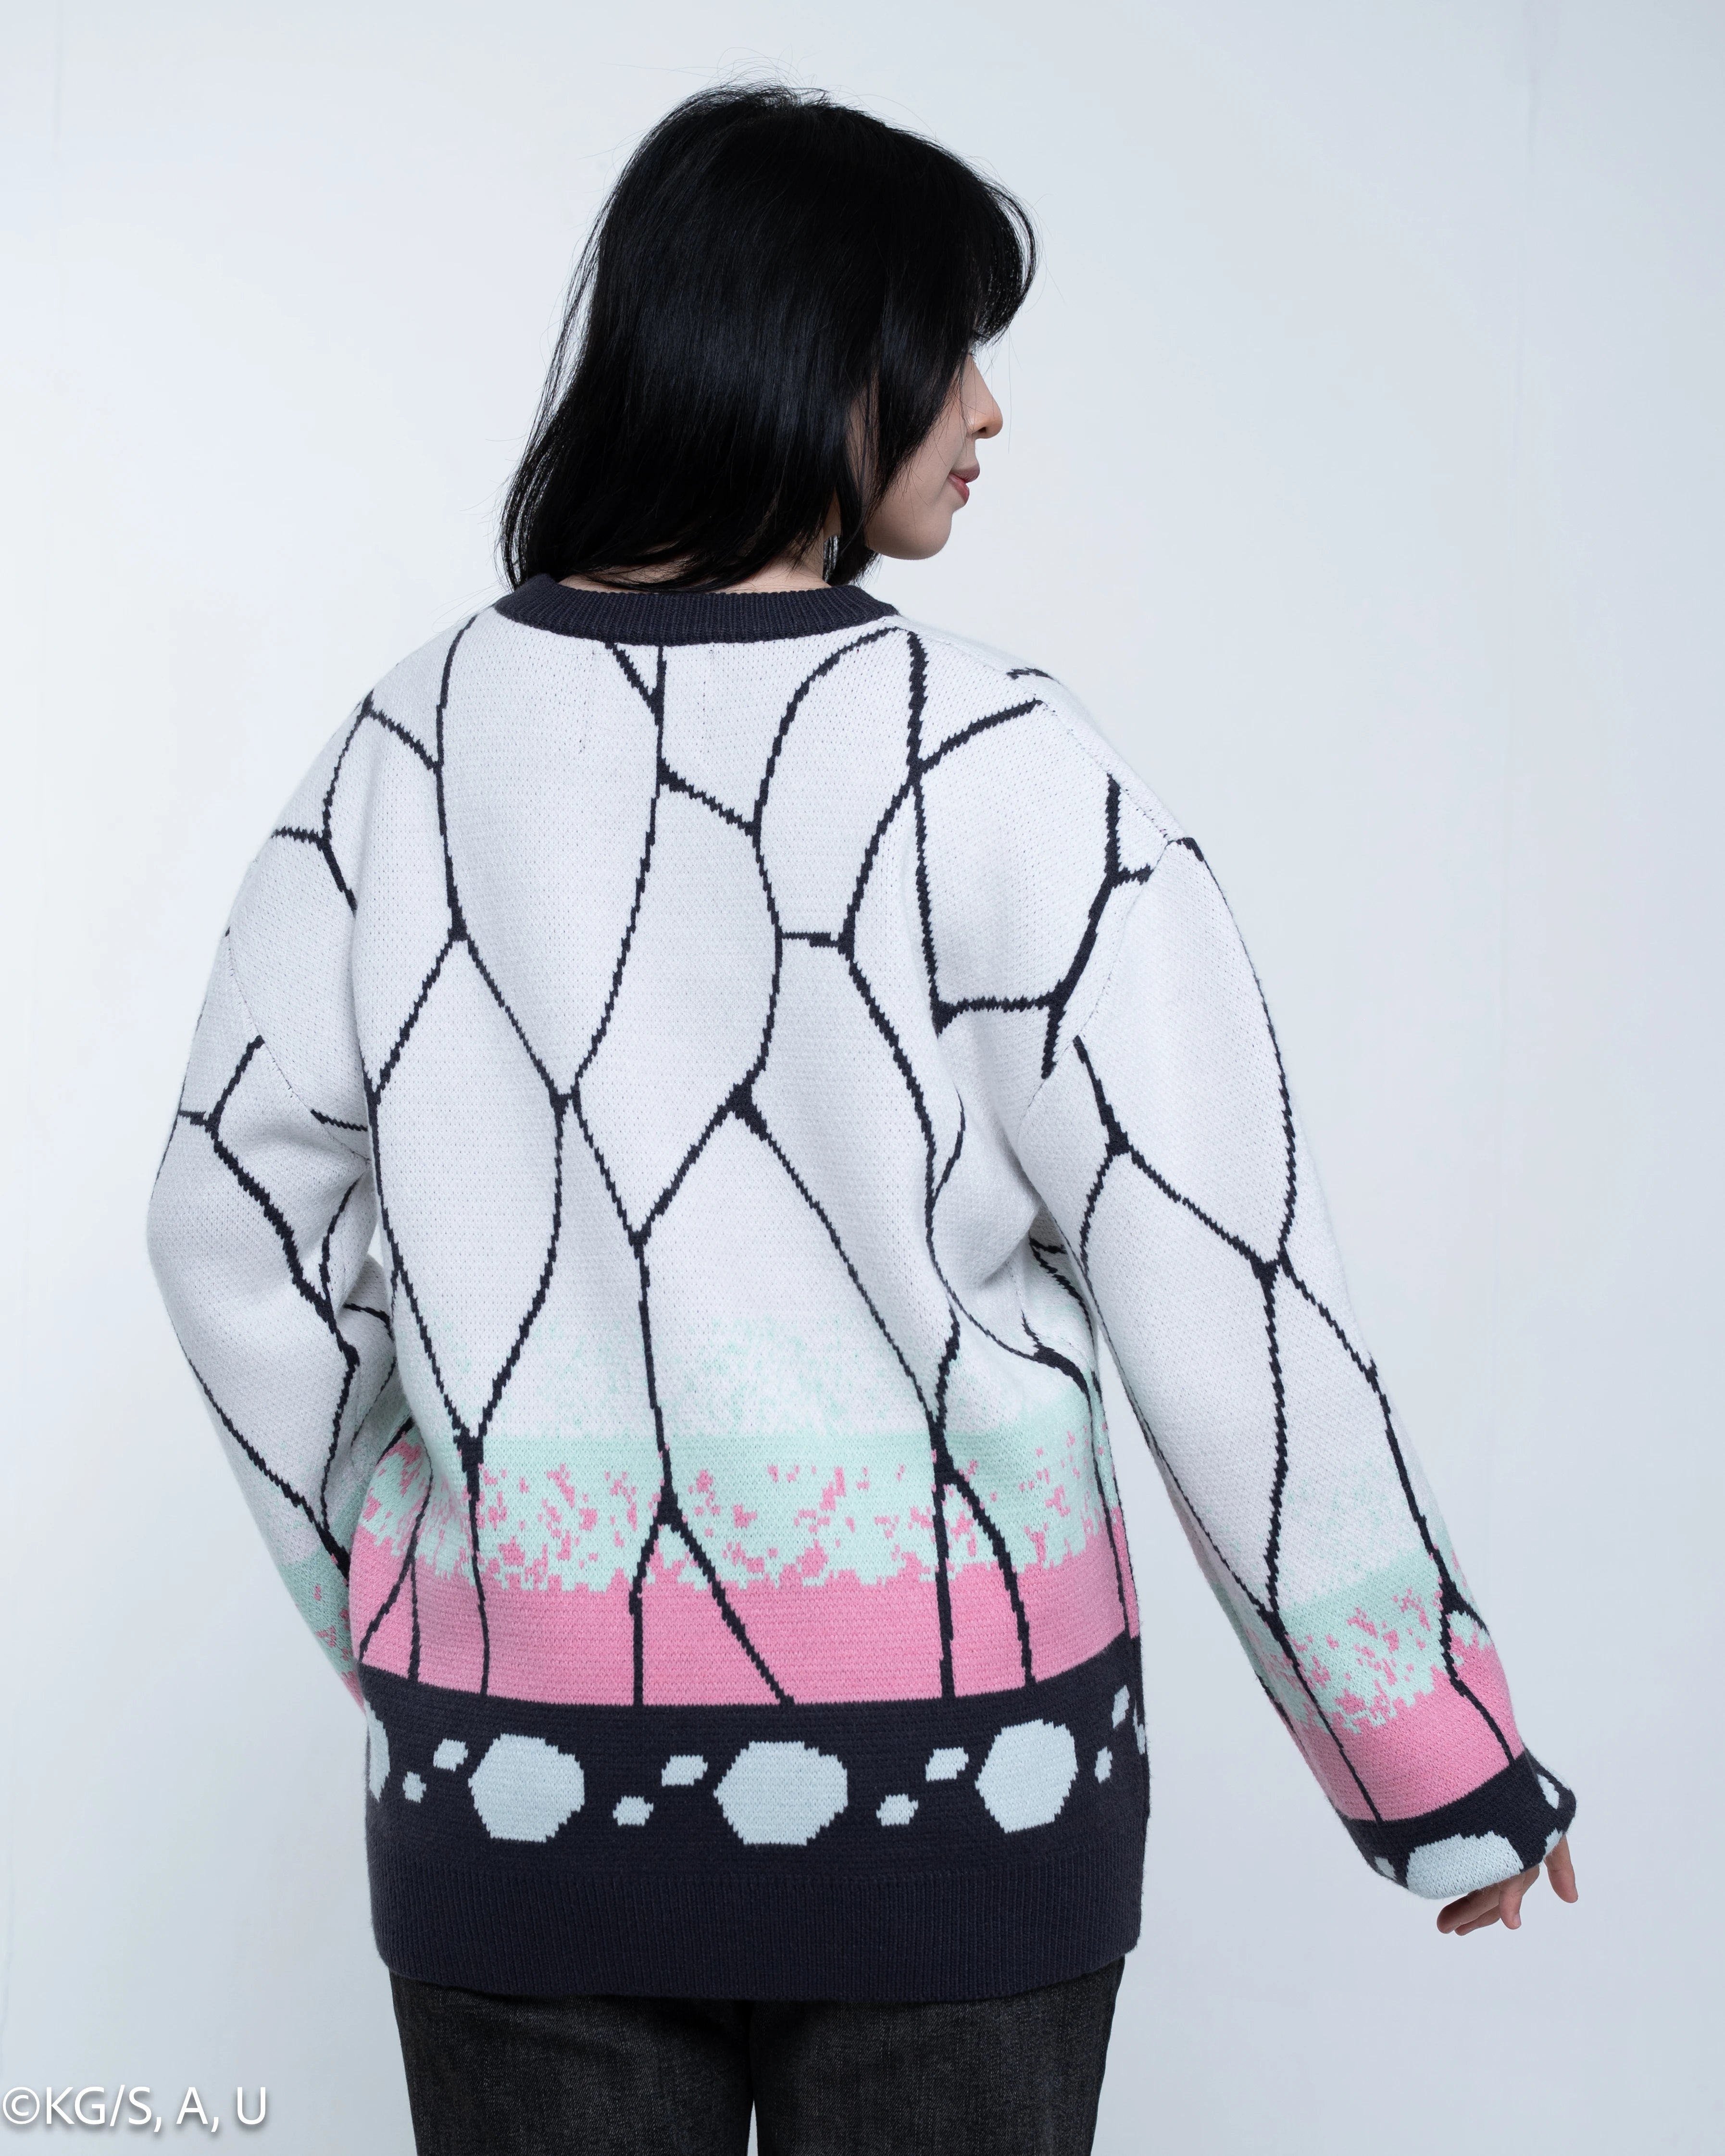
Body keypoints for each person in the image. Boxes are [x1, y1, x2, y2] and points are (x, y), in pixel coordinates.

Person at [146, 83, 1578, 2156]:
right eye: (945, 348)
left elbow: (230, 1221)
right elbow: (1227, 1280)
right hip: (972, 1793)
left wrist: (403, 1599)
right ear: (809, 352)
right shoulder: (1002, 761)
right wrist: (1428, 1749)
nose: (986, 412)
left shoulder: (413, 747)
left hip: (516, 1799)